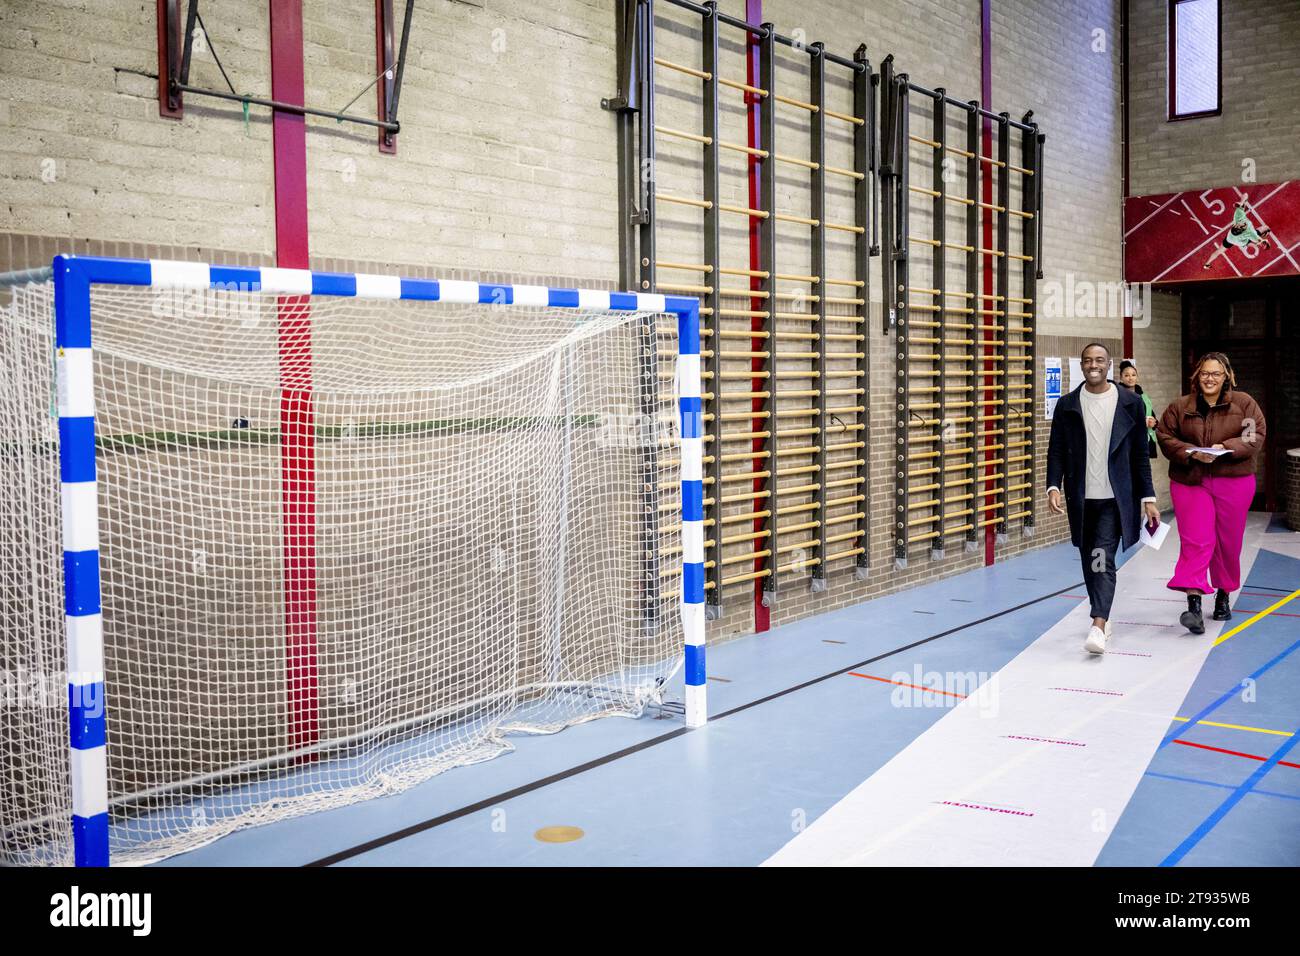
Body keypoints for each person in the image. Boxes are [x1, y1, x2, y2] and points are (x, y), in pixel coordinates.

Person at [1047, 343, 1161, 655]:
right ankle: (1103, 614)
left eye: (1099, 360)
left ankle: (1098, 623)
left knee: (1102, 557)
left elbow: (1139, 454)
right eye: (1087, 360)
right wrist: (1052, 486)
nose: (1093, 365)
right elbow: (1056, 449)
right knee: (1090, 559)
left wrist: (1147, 497)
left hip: (1115, 498)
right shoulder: (1068, 405)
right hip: (1082, 498)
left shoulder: (1131, 403)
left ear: (1108, 365)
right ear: (1082, 366)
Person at [1156, 352, 1266, 633]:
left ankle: (1223, 595)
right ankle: (1193, 604)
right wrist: (1191, 453)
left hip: (1233, 479)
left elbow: (1254, 435)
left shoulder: (1244, 404)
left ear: (1226, 376)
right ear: (1197, 376)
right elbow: (1165, 436)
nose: (1210, 378)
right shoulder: (1180, 406)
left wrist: (1224, 448)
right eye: (1205, 373)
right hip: (1190, 480)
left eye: (1216, 374)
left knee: (1228, 542)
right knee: (1197, 540)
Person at [1202, 201, 1273, 271]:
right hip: (1242, 241)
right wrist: (1264, 240)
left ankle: (1207, 264)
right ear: (1242, 229)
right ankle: (1257, 239)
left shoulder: (1237, 217)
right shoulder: (1249, 232)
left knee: (1219, 251)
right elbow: (1261, 242)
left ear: (1235, 226)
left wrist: (1241, 202)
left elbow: (1245, 196)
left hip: (1230, 238)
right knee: (1265, 228)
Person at [1118, 359, 1158, 458]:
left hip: (1144, 440)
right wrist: (1142, 423)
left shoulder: (1143, 396)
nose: (1130, 378)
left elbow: (1151, 415)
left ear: (1137, 377)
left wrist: (1154, 422)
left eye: (1133, 375)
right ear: (1121, 378)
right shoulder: (1118, 396)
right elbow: (1119, 420)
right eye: (1126, 375)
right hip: (1127, 443)